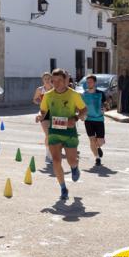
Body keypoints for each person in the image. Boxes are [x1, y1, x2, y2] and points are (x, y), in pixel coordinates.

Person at [35, 68, 87, 201]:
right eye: (54, 80)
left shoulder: (73, 94)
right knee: (56, 161)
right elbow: (43, 110)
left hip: (69, 131)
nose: (56, 83)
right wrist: (40, 116)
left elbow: (84, 110)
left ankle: (75, 167)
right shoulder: (48, 95)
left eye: (59, 80)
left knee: (71, 160)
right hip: (54, 131)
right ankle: (63, 188)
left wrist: (75, 119)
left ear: (65, 81)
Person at [81, 74, 108, 166]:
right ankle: (97, 158)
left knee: (101, 141)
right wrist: (80, 114)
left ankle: (98, 147)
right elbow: (80, 107)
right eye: (87, 82)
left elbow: (105, 104)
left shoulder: (101, 93)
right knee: (92, 140)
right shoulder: (83, 94)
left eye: (90, 82)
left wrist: (104, 108)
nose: (89, 83)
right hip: (88, 119)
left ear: (95, 83)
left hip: (99, 119)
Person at [32, 72, 54, 165]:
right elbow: (35, 99)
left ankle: (52, 152)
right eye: (45, 79)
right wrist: (39, 102)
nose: (47, 80)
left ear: (51, 79)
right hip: (44, 113)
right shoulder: (40, 90)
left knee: (53, 135)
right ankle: (48, 154)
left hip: (54, 113)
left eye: (48, 78)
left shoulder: (54, 89)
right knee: (48, 134)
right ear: (42, 80)